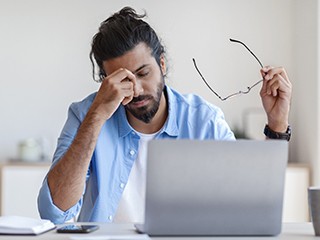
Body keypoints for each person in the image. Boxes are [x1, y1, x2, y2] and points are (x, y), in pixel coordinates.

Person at [37, 6, 292, 224]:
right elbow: (54, 212)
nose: (135, 90)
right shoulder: (86, 115)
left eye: (143, 73)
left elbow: (248, 206)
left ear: (162, 64)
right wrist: (96, 117)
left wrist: (277, 123)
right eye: (122, 80)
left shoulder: (204, 121)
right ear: (106, 82)